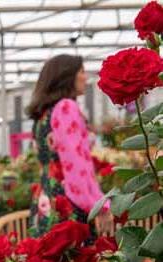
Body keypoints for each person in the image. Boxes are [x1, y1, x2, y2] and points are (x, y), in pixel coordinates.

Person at [26, 54, 113, 236]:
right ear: (66, 76)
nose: (85, 77)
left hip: (45, 201)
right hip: (68, 206)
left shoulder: (43, 115)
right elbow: (77, 165)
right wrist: (99, 206)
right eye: (81, 71)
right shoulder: (66, 108)